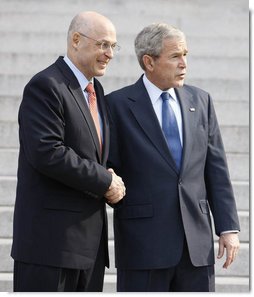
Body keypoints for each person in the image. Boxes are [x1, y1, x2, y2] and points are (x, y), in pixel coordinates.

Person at [106, 23, 240, 292]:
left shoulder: (201, 100)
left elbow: (216, 168)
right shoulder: (116, 105)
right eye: (175, 56)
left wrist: (228, 228)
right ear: (149, 61)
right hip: (143, 245)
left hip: (196, 247)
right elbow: (107, 166)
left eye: (186, 55)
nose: (184, 63)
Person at [11, 11, 125, 292]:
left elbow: (95, 155)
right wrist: (104, 180)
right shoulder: (47, 85)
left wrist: (111, 178)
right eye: (103, 44)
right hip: (50, 248)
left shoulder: (96, 91)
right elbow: (47, 152)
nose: (109, 53)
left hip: (88, 251)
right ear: (76, 40)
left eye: (113, 46)